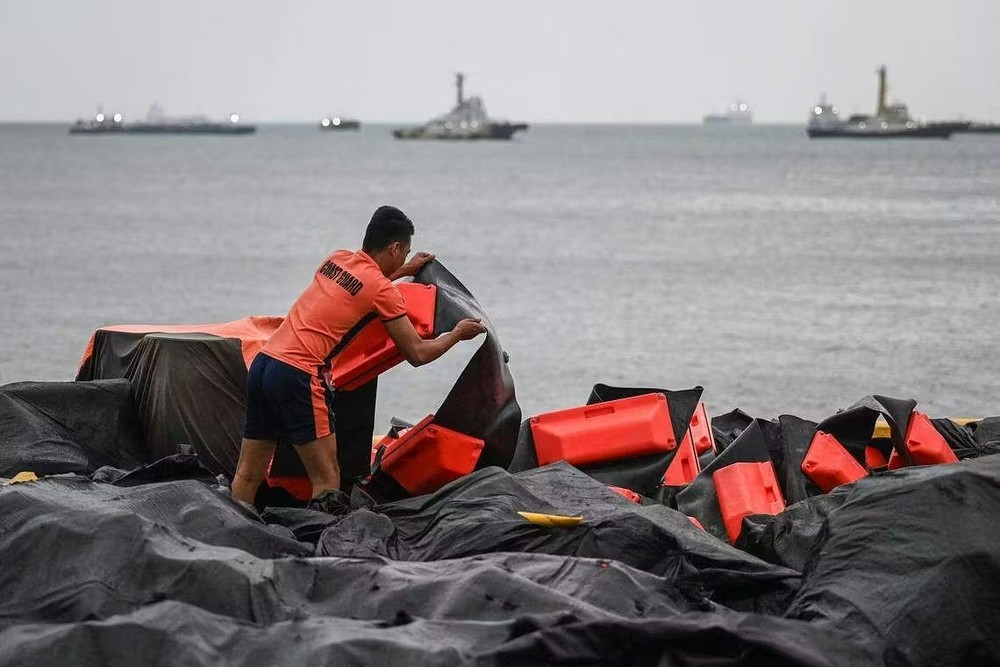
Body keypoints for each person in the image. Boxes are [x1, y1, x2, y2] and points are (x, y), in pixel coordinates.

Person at [231, 205, 486, 508]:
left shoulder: (335, 260)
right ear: (394, 247)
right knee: (327, 480)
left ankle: (236, 532)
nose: (404, 258)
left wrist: (404, 270)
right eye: (404, 253)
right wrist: (456, 334)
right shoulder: (382, 291)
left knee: (248, 475)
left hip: (264, 364)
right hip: (297, 375)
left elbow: (361, 285)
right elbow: (417, 353)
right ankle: (323, 552)